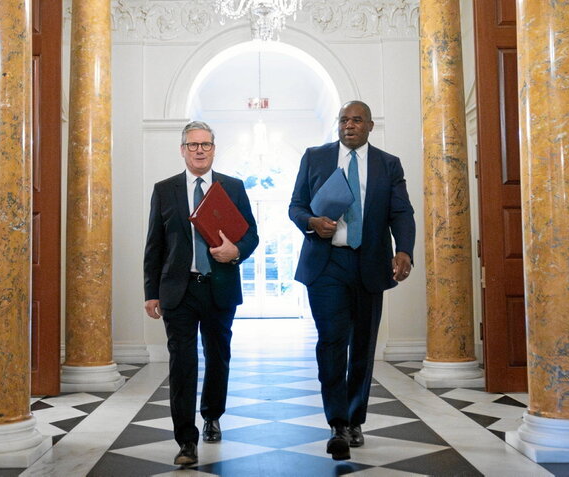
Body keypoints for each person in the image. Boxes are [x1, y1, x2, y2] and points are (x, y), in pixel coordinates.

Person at [288, 100, 415, 460]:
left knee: (362, 344)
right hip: (326, 264)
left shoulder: (388, 165)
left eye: (357, 120)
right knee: (331, 342)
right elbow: (295, 205)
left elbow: (401, 211)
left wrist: (404, 250)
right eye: (344, 119)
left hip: (370, 264)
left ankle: (356, 417)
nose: (349, 125)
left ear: (370, 126)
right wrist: (312, 222)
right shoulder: (315, 157)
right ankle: (337, 423)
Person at [144, 121, 259, 467]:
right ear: (182, 149)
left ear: (213, 148)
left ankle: (211, 415)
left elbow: (251, 234)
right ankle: (186, 440)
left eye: (205, 145)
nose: (199, 150)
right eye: (192, 144)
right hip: (178, 290)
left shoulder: (233, 187)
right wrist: (151, 292)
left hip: (219, 286)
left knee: (217, 355)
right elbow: (155, 244)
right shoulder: (165, 190)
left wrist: (235, 251)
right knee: (182, 363)